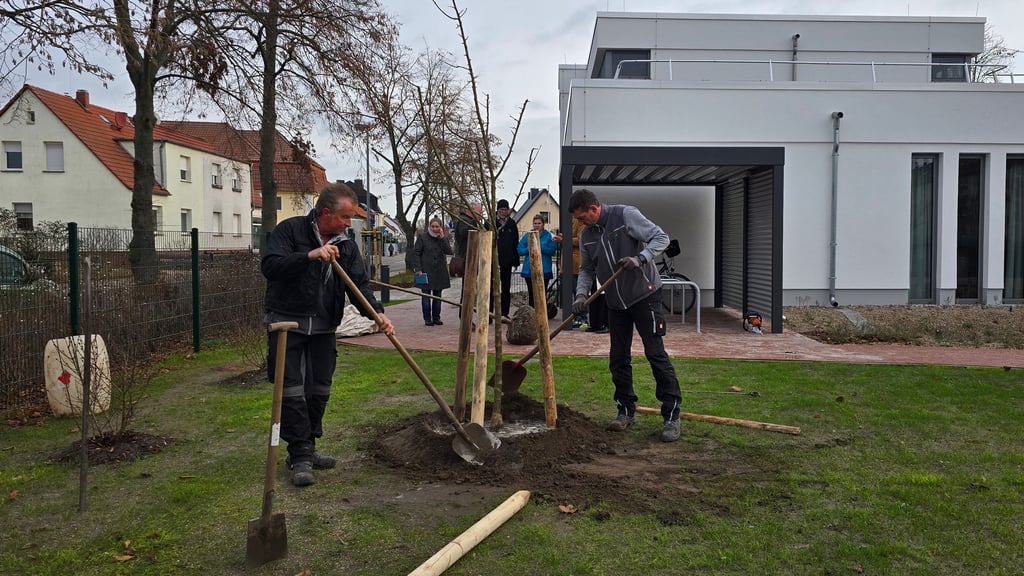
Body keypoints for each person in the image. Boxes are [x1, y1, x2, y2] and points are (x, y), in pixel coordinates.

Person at [261, 182, 395, 486]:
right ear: (325, 213)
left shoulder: (346, 245)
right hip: (287, 324)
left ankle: (309, 448)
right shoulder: (290, 231)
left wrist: (378, 316)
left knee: (320, 389)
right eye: (345, 218)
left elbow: (359, 285)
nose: (349, 224)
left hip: (323, 326)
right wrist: (309, 255)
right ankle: (299, 456)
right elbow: (270, 266)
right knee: (292, 391)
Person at [568, 188, 683, 443]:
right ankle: (625, 410)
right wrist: (579, 296)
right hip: (615, 303)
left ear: (594, 209)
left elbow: (660, 238)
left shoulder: (625, 216)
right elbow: (587, 269)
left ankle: (672, 416)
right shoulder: (587, 235)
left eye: (581, 217)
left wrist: (640, 258)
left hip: (645, 296)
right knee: (618, 358)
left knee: (655, 354)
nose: (579, 223)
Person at [412, 217, 453, 326]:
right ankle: (427, 318)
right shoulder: (422, 237)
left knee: (437, 295)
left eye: (437, 227)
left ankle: (436, 317)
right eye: (433, 226)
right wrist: (418, 269)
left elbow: (448, 251)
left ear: (440, 228)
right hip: (426, 271)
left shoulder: (442, 238)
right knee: (426, 295)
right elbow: (416, 253)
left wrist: (443, 238)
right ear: (429, 226)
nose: (435, 229)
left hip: (439, 271)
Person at [517, 215, 562, 311]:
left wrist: (539, 247)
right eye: (535, 223)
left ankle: (542, 314)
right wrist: (530, 248)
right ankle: (532, 315)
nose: (537, 225)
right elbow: (520, 250)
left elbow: (552, 251)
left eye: (539, 223)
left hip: (544, 269)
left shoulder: (549, 236)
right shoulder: (527, 235)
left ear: (543, 224)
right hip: (529, 269)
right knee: (532, 293)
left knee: (541, 293)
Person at [572, 217, 607, 333]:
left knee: (603, 298)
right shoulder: (586, 235)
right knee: (593, 297)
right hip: (594, 271)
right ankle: (595, 323)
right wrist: (581, 294)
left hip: (605, 273)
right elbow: (586, 268)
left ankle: (605, 324)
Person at [494, 199, 520, 319]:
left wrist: (515, 259)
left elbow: (515, 242)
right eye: (501, 210)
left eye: (505, 209)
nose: (503, 212)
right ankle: (489, 313)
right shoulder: (491, 222)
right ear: (497, 210)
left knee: (506, 288)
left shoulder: (511, 224)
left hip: (507, 260)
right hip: (493, 259)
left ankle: (504, 313)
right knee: (491, 287)